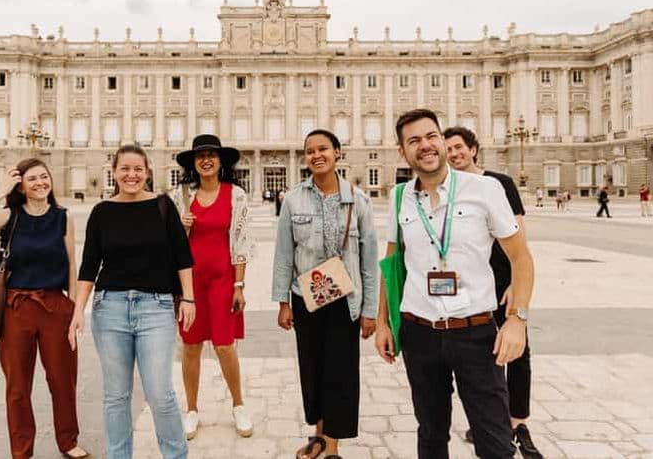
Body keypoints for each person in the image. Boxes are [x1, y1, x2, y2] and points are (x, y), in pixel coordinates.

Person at [375, 109, 534, 459]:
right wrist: (384, 322)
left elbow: (521, 258)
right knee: (430, 436)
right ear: (402, 151)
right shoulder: (399, 196)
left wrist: (517, 320)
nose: (425, 146)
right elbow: (391, 263)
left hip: (475, 332)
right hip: (420, 333)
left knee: (494, 442)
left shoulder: (485, 189)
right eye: (414, 140)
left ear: (442, 141)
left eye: (431, 136)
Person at [68, 145, 196, 459]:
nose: (131, 175)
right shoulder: (102, 212)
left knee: (160, 394)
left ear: (148, 172)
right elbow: (89, 265)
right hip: (109, 308)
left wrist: (189, 298)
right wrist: (78, 310)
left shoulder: (163, 206)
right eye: (124, 169)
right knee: (115, 396)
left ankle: (176, 455)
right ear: (114, 172)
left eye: (138, 169)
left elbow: (183, 257)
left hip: (157, 307)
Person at [0, 159, 89, 459]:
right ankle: (21, 450)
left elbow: (72, 263)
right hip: (16, 308)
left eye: (44, 177)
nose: (40, 183)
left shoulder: (63, 217)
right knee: (18, 386)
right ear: (20, 185)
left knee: (63, 380)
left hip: (56, 306)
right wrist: (0, 191)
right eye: (32, 179)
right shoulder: (11, 216)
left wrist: (74, 310)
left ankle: (68, 441)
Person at [272, 129, 379, 459]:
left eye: (323, 149)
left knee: (341, 374)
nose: (316, 155)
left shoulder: (358, 200)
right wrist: (282, 302)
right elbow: (283, 255)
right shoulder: (292, 200)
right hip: (306, 298)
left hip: (345, 301)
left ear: (337, 153)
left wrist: (371, 310)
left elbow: (369, 260)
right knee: (313, 370)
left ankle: (331, 446)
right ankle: (319, 435)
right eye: (310, 151)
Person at [444, 126, 544, 458]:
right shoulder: (450, 187)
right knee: (484, 353)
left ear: (473, 149)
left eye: (459, 148)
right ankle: (491, 421)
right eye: (449, 150)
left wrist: (518, 285)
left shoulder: (500, 182)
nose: (454, 154)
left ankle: (519, 424)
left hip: (504, 281)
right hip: (472, 283)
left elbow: (520, 235)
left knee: (518, 351)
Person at [172, 134, 254, 439]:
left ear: (221, 161)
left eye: (212, 155)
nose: (206, 160)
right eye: (200, 156)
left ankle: (238, 404)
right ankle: (191, 409)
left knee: (224, 345)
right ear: (194, 163)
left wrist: (239, 284)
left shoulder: (236, 195)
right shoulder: (181, 196)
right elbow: (169, 244)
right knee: (190, 346)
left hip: (222, 280)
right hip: (189, 282)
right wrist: (181, 227)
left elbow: (241, 241)